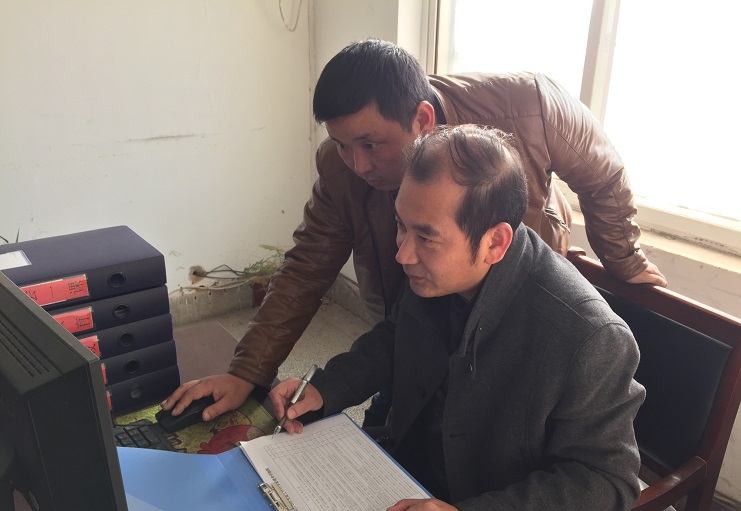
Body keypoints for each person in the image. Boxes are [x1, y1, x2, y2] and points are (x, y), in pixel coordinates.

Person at [161, 38, 664, 424]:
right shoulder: (343, 169)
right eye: (341, 145)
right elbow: (307, 268)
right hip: (419, 309)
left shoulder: (527, 106)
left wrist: (627, 263)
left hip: (515, 308)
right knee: (407, 393)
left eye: (371, 145)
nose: (358, 165)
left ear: (423, 119)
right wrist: (247, 372)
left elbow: (603, 175)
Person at [270, 125, 645, 511]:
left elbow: (607, 482)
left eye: (425, 237)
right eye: (400, 226)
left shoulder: (589, 336)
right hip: (411, 481)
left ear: (495, 242)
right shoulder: (437, 267)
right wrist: (326, 387)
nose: (403, 253)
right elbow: (396, 336)